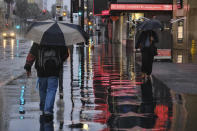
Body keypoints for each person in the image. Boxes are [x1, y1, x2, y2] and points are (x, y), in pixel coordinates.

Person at [24, 42, 69, 121]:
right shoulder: (59, 40)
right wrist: (59, 61)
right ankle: (47, 110)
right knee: (51, 90)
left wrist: (28, 66)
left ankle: (43, 108)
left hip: (41, 71)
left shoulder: (39, 39)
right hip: (54, 71)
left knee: (42, 90)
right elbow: (65, 54)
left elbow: (32, 54)